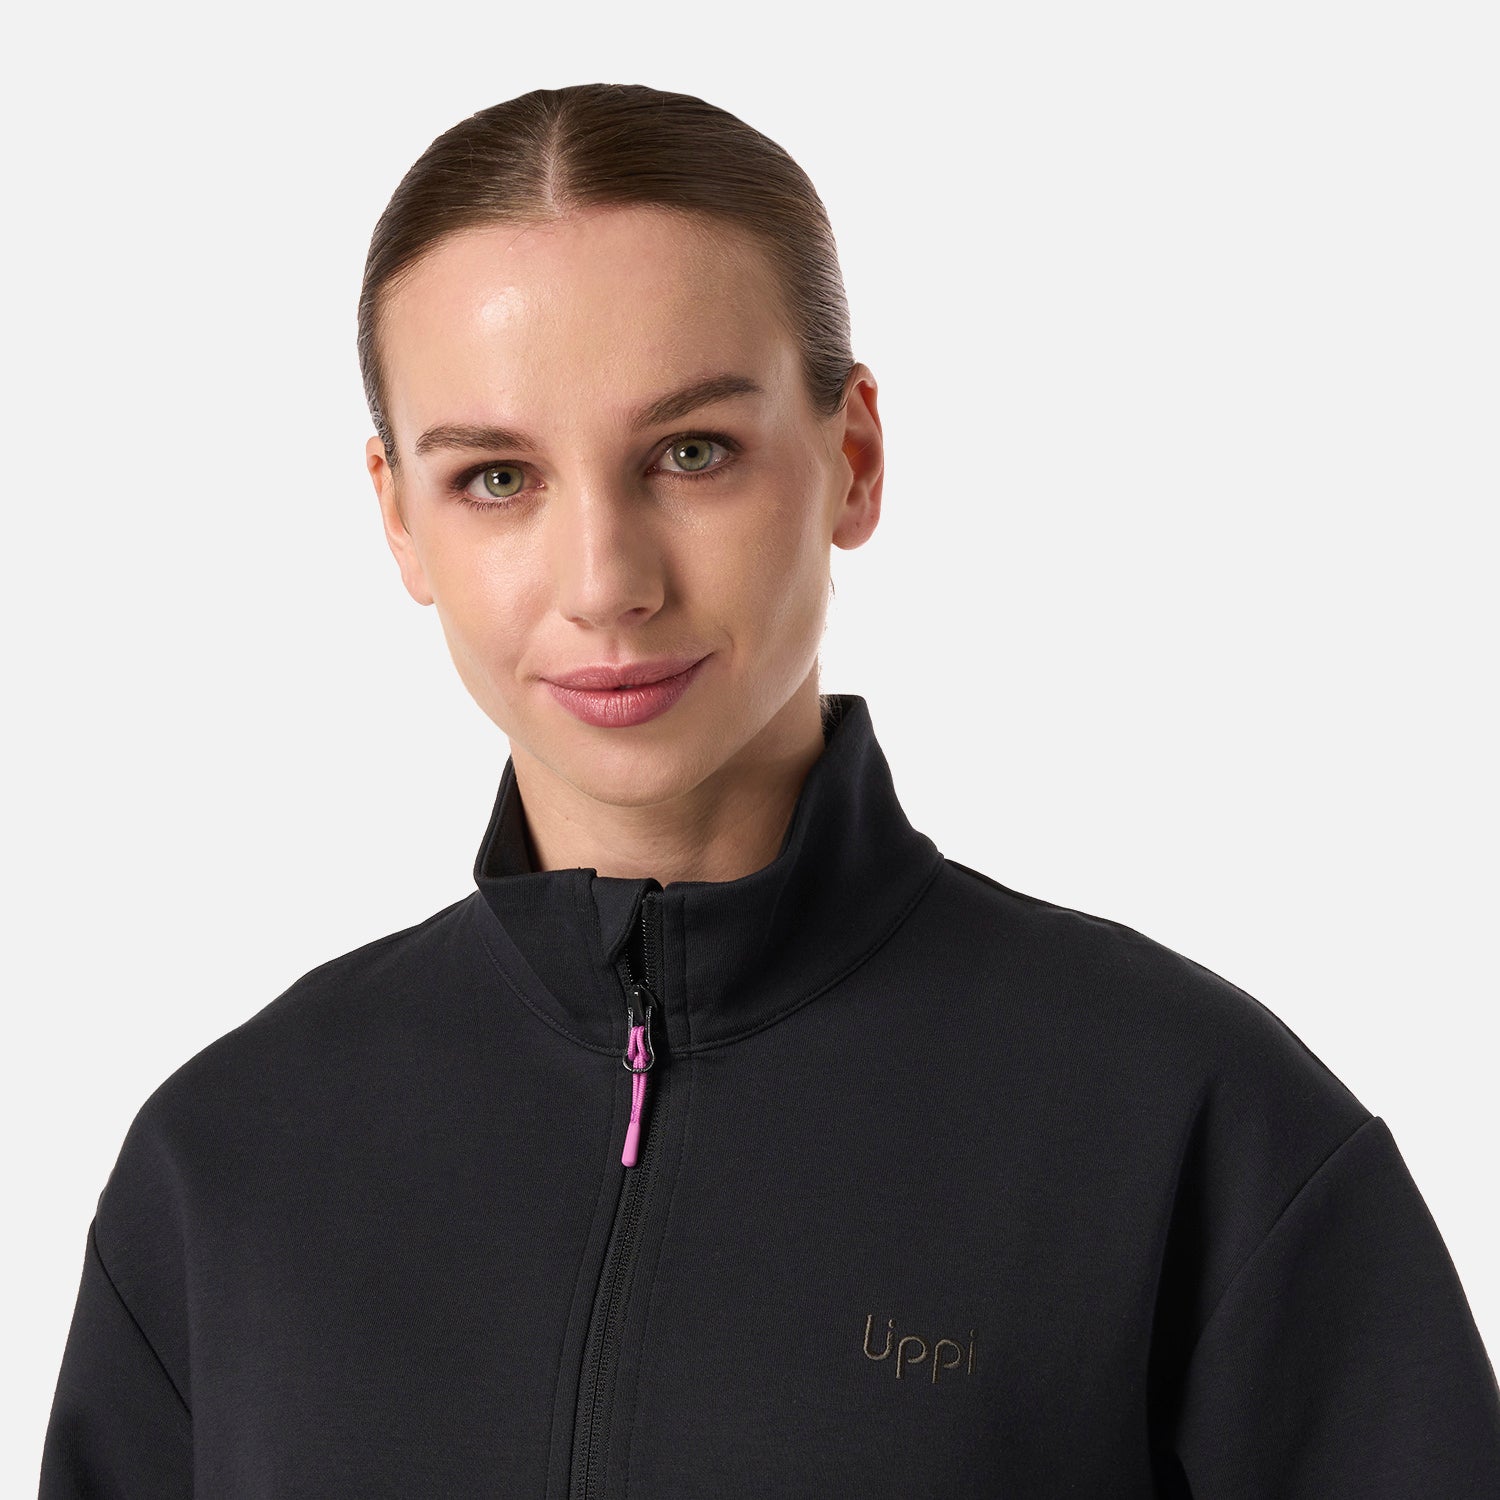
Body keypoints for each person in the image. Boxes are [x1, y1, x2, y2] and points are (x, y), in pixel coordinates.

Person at [38, 82, 1500, 1499]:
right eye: (496, 478)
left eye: (691, 453)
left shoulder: (1187, 1120)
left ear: (852, 458)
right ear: (398, 520)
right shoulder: (225, 1166)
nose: (606, 582)